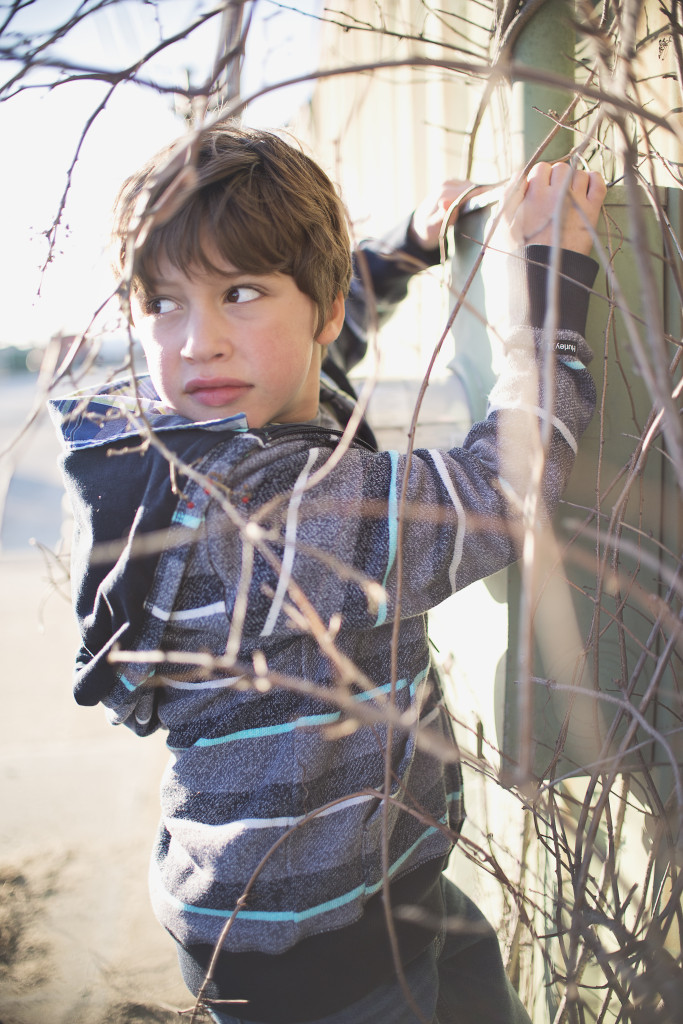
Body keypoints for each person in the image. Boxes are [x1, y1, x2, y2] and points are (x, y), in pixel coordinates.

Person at [49, 123, 606, 1024]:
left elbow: (323, 363)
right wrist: (550, 288)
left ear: (321, 307)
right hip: (311, 954)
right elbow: (501, 493)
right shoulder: (254, 515)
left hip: (371, 885)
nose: (198, 344)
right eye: (163, 303)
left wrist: (402, 249)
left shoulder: (224, 428)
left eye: (238, 292)